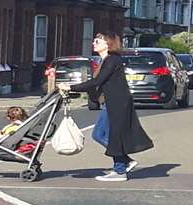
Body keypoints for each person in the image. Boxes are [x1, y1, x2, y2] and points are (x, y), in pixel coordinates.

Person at [57, 31, 152, 181]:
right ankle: (125, 161)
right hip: (110, 102)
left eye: (97, 41)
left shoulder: (112, 60)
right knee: (99, 134)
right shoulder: (106, 60)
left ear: (108, 44)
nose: (93, 43)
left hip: (118, 103)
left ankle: (120, 171)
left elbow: (97, 82)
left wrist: (71, 87)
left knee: (110, 135)